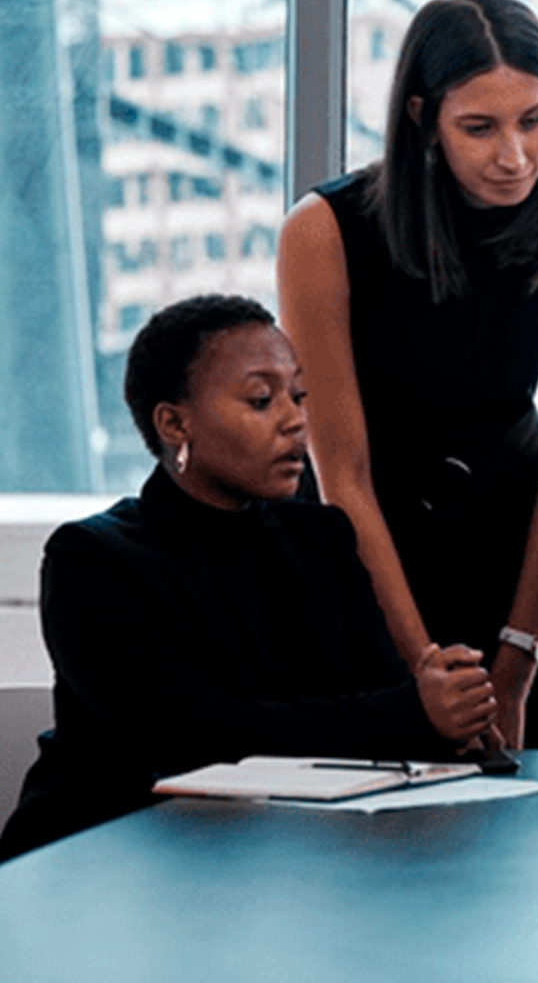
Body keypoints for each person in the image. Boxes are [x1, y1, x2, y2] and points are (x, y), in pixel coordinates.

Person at [0, 296, 495, 862]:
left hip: (282, 856)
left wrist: (441, 709)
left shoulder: (322, 538)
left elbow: (380, 697)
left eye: (299, 395)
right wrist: (412, 713)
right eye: (261, 400)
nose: (295, 420)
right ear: (173, 422)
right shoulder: (92, 560)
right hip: (110, 859)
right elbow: (195, 736)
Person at [278, 0, 538, 749]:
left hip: (518, 548)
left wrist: (518, 660)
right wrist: (423, 668)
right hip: (366, 545)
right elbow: (342, 471)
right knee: (372, 820)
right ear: (421, 116)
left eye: (534, 121)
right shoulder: (323, 231)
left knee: (520, 817)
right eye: (480, 127)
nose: (515, 156)